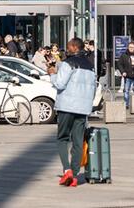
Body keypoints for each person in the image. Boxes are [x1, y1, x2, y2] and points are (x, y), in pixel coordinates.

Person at [48, 38, 96, 188]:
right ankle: (74, 176)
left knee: (62, 138)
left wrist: (52, 73)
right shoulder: (90, 66)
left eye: (69, 46)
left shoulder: (68, 63)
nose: (66, 49)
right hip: (82, 108)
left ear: (75, 47)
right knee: (77, 141)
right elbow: (93, 88)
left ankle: (67, 170)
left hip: (66, 106)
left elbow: (60, 83)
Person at [116, 41, 134, 108]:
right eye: (130, 47)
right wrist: (123, 72)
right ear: (128, 47)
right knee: (126, 91)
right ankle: (126, 104)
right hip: (127, 76)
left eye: (132, 47)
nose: (131, 48)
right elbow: (119, 64)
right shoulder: (124, 55)